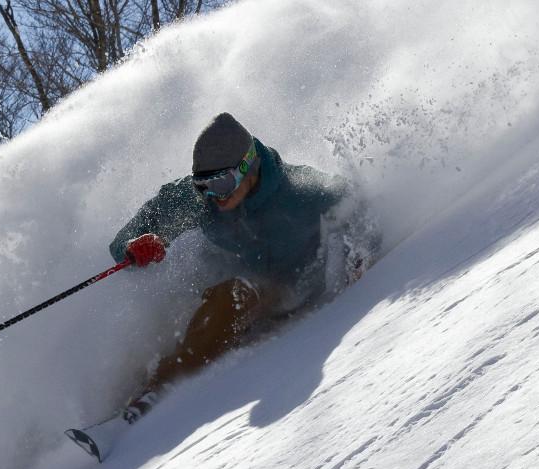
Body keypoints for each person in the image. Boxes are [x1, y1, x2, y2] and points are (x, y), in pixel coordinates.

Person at [109, 112, 379, 423]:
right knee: (202, 300)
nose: (213, 196)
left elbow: (355, 202)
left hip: (295, 286)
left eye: (221, 183)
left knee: (234, 295)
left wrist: (360, 253)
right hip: (236, 276)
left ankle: (159, 385)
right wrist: (135, 247)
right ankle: (133, 383)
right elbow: (124, 242)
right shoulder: (199, 201)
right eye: (202, 186)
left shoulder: (298, 192)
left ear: (248, 166)